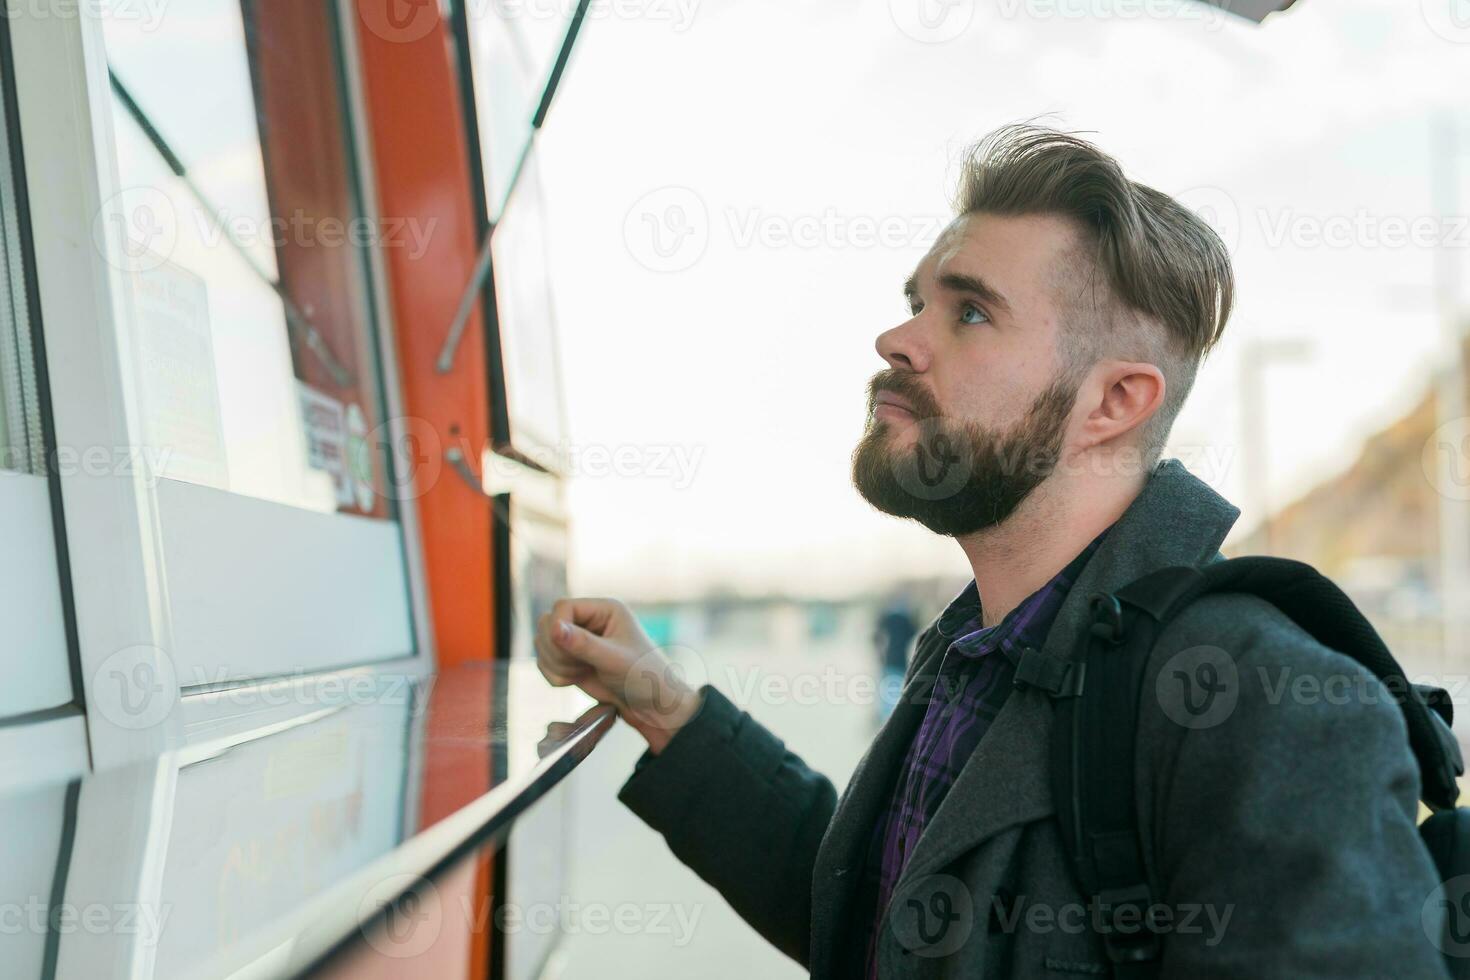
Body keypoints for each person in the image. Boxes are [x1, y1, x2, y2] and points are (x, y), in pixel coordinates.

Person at [534, 123, 1448, 978]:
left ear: (1114, 403)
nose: (896, 340)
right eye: (915, 302)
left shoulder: (1262, 704)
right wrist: (664, 707)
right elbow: (881, 913)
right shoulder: (981, 647)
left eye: (969, 313)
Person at [872, 597, 919, 723]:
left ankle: (885, 719)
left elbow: (876, 638)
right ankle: (892, 719)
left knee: (887, 692)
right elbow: (915, 636)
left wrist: (879, 655)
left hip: (888, 661)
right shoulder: (907, 620)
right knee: (897, 691)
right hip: (902, 662)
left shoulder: (886, 618)